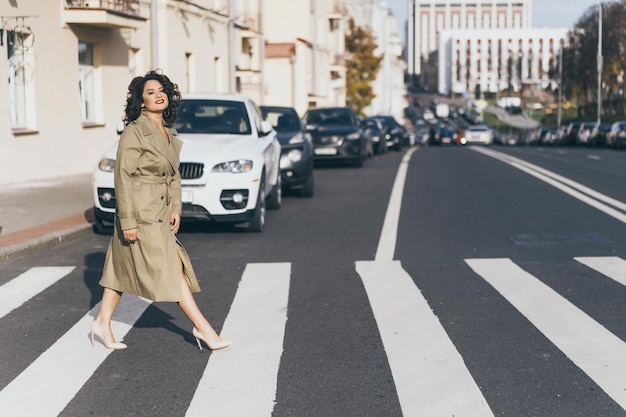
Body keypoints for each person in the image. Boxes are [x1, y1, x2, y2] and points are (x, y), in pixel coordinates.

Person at [91, 69, 231, 352]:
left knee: (121, 268)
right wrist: (128, 221)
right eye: (150, 93)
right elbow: (123, 176)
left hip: (161, 208)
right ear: (141, 102)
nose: (157, 96)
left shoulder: (167, 132)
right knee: (172, 266)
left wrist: (176, 207)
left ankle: (102, 323)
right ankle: (204, 329)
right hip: (141, 211)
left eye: (161, 91)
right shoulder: (134, 131)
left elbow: (174, 175)